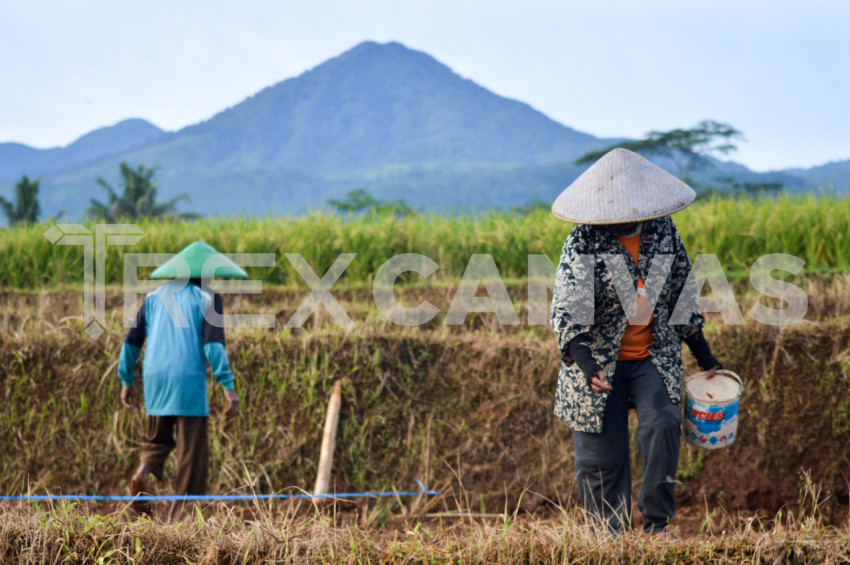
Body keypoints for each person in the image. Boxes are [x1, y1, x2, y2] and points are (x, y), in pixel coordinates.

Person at [549, 148, 722, 536]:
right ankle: (610, 536)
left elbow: (682, 294)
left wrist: (705, 356)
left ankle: (657, 524)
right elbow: (569, 311)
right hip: (595, 361)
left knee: (662, 424)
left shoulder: (663, 232)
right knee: (601, 458)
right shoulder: (583, 242)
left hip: (653, 356)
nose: (626, 218)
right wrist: (588, 365)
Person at [117, 241, 246, 521]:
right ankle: (174, 520)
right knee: (192, 455)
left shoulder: (153, 297)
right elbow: (214, 347)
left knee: (157, 440)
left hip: (155, 379)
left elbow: (131, 341)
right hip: (188, 381)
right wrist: (229, 387)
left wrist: (126, 378)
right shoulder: (208, 298)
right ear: (204, 274)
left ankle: (141, 473)